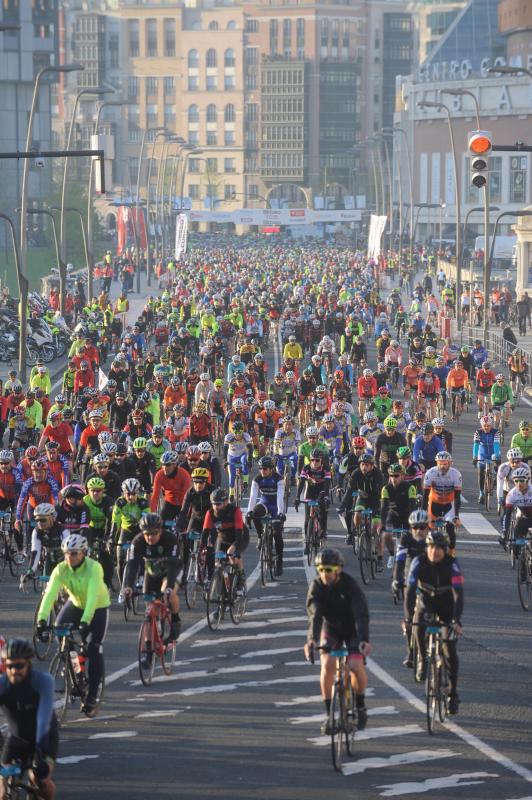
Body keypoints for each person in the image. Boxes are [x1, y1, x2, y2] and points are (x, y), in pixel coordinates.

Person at [36, 533, 110, 717]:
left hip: (98, 607)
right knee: (61, 628)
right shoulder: (61, 569)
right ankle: (75, 665)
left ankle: (92, 694)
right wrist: (42, 620)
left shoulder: (94, 568)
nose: (70, 557)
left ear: (84, 553)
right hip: (76, 604)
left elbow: (93, 597)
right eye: (67, 553)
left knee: (94, 647)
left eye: (75, 553)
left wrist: (85, 622)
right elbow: (50, 595)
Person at [304, 548, 371, 735]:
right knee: (327, 665)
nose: (325, 574)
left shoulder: (350, 585)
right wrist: (311, 641)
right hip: (331, 628)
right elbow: (315, 616)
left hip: (352, 629)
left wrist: (364, 640)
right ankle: (328, 715)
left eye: (329, 569)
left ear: (338, 569)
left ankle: (360, 705)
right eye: (321, 569)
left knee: (356, 665)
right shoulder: (317, 587)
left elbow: (361, 615)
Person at [404, 529, 463, 714]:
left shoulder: (452, 564)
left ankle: (453, 693)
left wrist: (456, 620)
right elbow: (410, 590)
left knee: (449, 649)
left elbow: (459, 594)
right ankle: (422, 658)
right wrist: (407, 618)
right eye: (430, 547)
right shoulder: (418, 562)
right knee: (418, 624)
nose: (434, 551)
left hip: (447, 604)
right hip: (426, 601)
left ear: (445, 549)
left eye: (439, 548)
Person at [0, 639, 57, 800]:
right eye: (9, 666)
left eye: (19, 666)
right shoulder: (2, 685)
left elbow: (44, 718)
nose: (13, 671)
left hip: (44, 736)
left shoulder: (43, 681)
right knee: (2, 791)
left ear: (28, 664)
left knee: (40, 780)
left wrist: (40, 752)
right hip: (17, 738)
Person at [123, 513, 182, 662]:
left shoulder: (170, 539)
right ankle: (148, 652)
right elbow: (132, 566)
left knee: (168, 592)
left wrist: (169, 587)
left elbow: (172, 566)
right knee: (149, 612)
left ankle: (175, 619)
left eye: (154, 534)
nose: (150, 537)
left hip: (172, 570)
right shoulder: (137, 542)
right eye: (147, 534)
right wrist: (128, 587)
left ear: (160, 531)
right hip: (152, 572)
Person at [392, 509, 429, 667]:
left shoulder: (433, 538)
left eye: (422, 527)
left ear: (428, 527)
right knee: (409, 621)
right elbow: (399, 562)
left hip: (429, 580)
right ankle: (411, 653)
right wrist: (396, 580)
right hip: (411, 578)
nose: (419, 531)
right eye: (415, 527)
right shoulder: (405, 538)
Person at [246, 456, 286, 576]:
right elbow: (253, 497)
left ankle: (279, 562)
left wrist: (280, 513)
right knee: (255, 513)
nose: (262, 471)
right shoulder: (257, 479)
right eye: (260, 468)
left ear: (271, 469)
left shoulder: (278, 479)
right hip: (264, 503)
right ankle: (260, 536)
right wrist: (249, 512)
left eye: (265, 469)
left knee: (277, 534)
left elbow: (280, 497)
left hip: (275, 507)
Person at [295, 450, 331, 554]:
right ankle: (307, 542)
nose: (314, 462)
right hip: (310, 491)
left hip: (322, 490)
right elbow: (301, 483)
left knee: (323, 510)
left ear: (321, 460)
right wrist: (297, 497)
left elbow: (327, 484)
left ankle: (323, 530)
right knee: (307, 518)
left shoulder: (326, 468)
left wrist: (327, 497)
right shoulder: (306, 468)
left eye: (317, 460)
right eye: (312, 460)